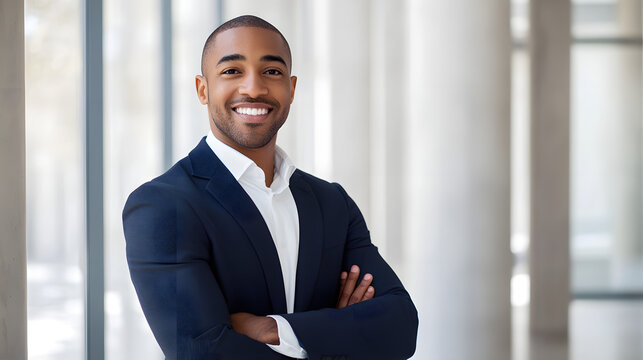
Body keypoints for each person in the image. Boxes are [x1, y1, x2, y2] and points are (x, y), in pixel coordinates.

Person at [123, 15, 418, 360]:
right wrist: (337, 331)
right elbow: (204, 352)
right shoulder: (163, 205)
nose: (254, 88)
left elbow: (401, 326)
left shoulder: (332, 203)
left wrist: (273, 329)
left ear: (291, 88)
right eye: (232, 71)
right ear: (203, 90)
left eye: (272, 72)